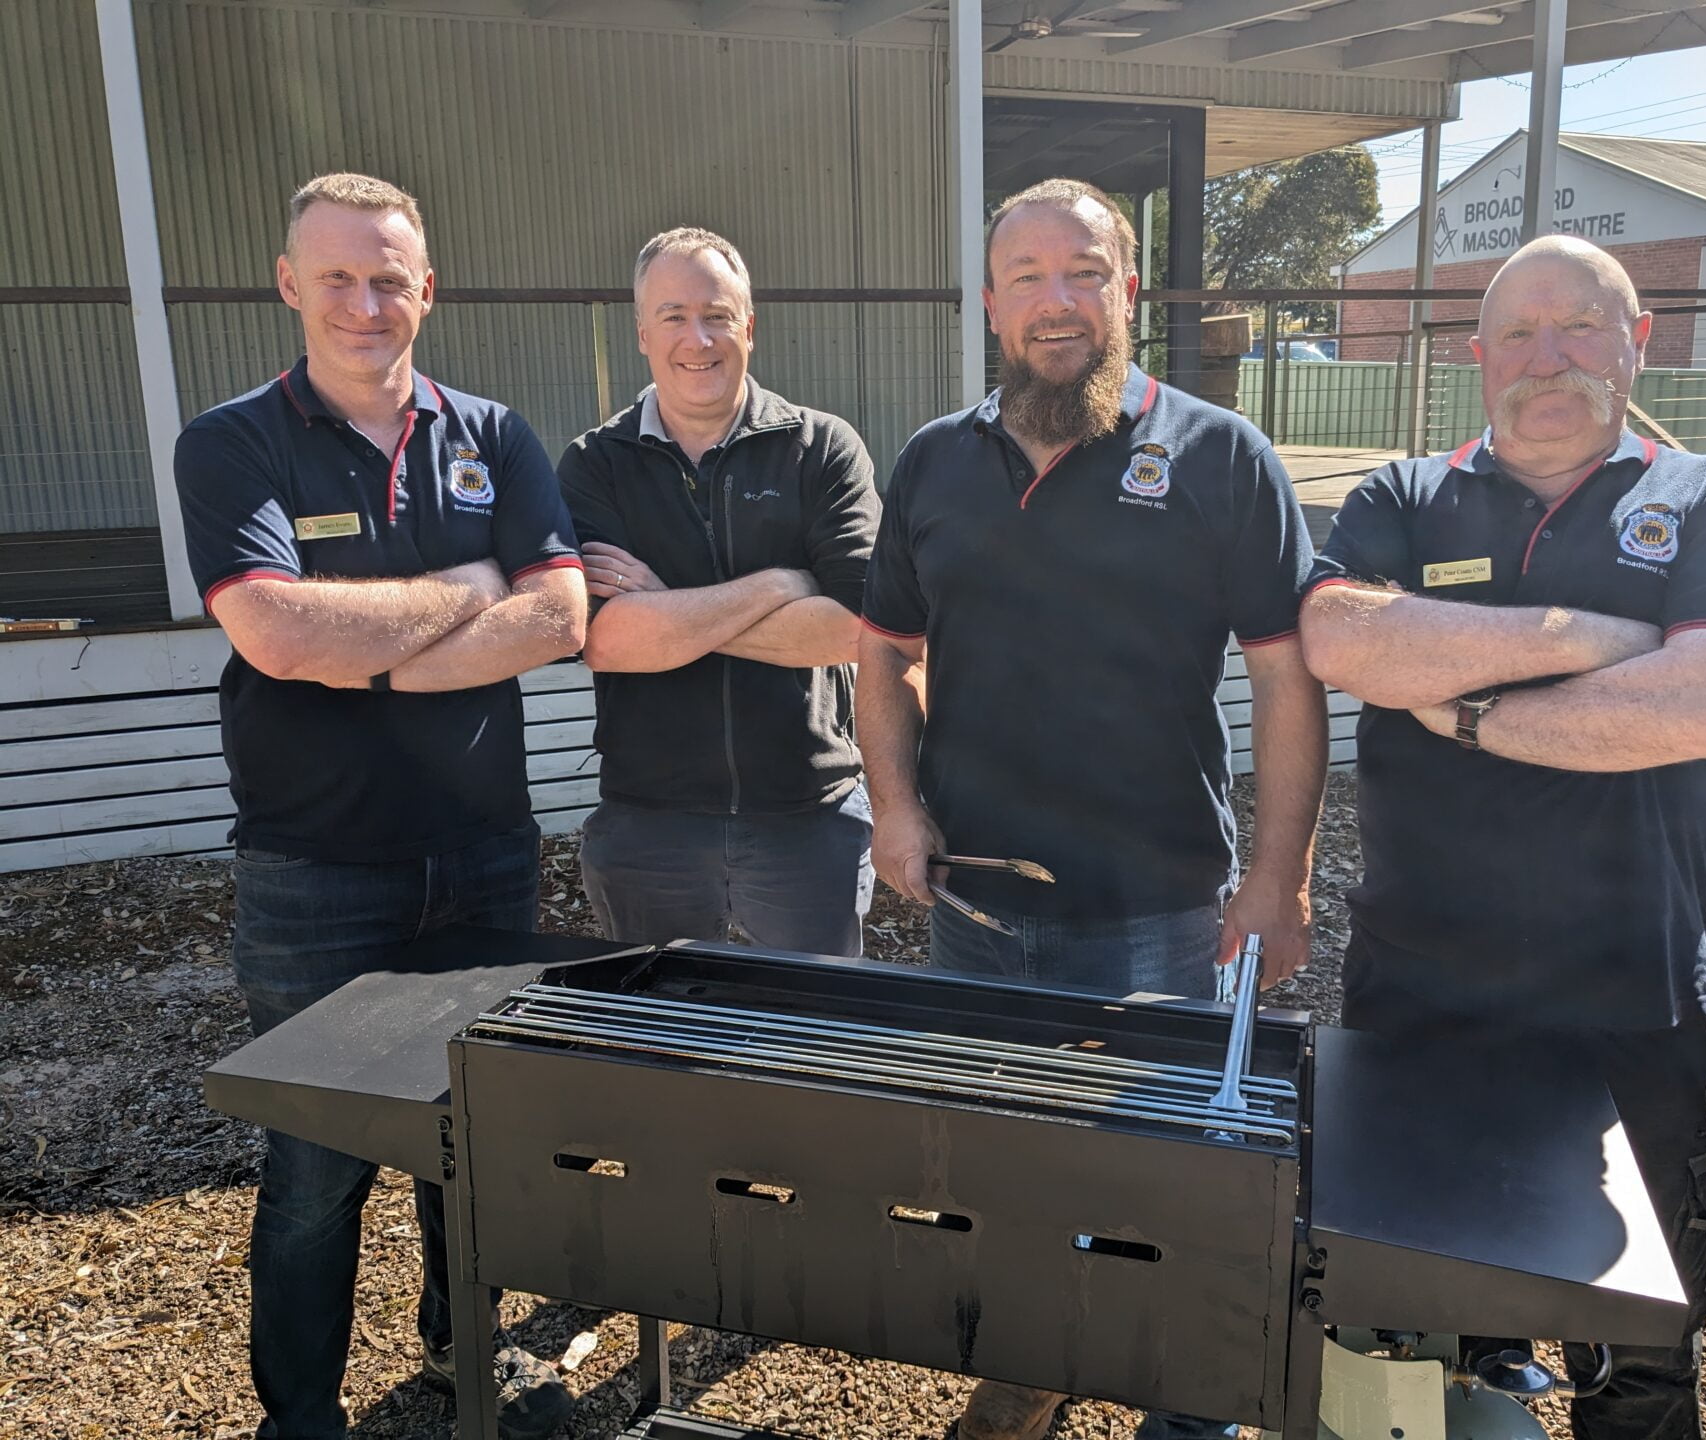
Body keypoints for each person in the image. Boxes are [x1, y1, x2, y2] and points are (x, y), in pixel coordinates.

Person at [1298, 234, 1706, 1440]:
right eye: (1518, 332)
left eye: (1581, 325)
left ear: (1635, 344)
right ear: (1477, 357)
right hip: (1422, 990)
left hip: (1629, 995)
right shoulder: (1402, 497)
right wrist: (1600, 638)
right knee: (1422, 1322)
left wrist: (1466, 702)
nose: (1548, 355)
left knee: (1637, 1341)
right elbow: (1345, 641)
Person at [857, 178, 1327, 1440]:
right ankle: (1028, 1366)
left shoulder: (1220, 455)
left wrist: (1276, 879)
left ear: (1128, 288)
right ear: (992, 301)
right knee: (1007, 1165)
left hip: (1158, 907)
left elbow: (1288, 677)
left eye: (1084, 272)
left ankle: (1184, 1406)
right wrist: (892, 803)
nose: (1055, 300)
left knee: (1167, 1184)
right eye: (1027, 276)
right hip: (976, 903)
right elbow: (887, 647)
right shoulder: (934, 462)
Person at [175, 173, 587, 1440]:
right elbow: (276, 631)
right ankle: (300, 1415)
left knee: (479, 1134)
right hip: (317, 871)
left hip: (482, 855)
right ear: (290, 283)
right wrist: (466, 589)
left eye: (390, 277)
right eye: (339, 276)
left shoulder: (496, 436)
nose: (367, 302)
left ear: (428, 288)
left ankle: (472, 1357)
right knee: (316, 1163)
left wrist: (373, 639)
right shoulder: (233, 441)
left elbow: (562, 613)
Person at [558, 227, 879, 956]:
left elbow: (855, 627)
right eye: (673, 316)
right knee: (658, 1046)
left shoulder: (821, 448)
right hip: (649, 824)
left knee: (812, 1046)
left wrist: (665, 602)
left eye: (717, 314)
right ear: (643, 334)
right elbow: (606, 641)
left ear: (750, 327)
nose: (697, 339)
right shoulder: (595, 465)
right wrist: (781, 583)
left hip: (808, 818)